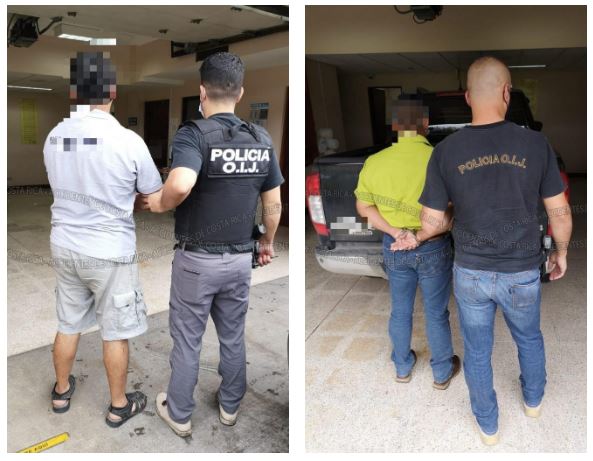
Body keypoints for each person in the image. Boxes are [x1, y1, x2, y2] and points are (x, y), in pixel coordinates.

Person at [399, 56, 572, 445]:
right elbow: (559, 213)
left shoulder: (445, 151)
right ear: (507, 92)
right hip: (522, 271)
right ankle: (533, 402)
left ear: (467, 97)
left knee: (477, 351)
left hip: (471, 274)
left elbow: (432, 223)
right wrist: (560, 252)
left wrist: (433, 226)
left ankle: (488, 426)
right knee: (529, 338)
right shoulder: (536, 144)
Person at [142, 52, 284, 437]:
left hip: (196, 263)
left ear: (202, 92)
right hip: (239, 261)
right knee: (233, 336)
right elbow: (273, 204)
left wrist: (160, 203)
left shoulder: (193, 134)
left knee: (188, 340)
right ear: (240, 93)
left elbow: (181, 183)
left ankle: (180, 413)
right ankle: (229, 406)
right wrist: (267, 241)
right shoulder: (261, 139)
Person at [43, 52, 162, 427]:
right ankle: (118, 405)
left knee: (68, 322)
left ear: (73, 93)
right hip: (109, 252)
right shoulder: (127, 140)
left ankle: (61, 391)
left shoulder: (55, 137)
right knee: (115, 331)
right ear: (112, 91)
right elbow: (152, 196)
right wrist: (128, 201)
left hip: (65, 245)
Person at [354, 99, 460, 389]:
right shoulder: (440, 158)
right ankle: (441, 373)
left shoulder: (375, 162)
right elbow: (453, 207)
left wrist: (396, 231)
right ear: (425, 124)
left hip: (395, 246)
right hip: (433, 245)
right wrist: (420, 233)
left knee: (400, 310)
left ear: (395, 125)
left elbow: (363, 208)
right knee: (436, 312)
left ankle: (402, 367)